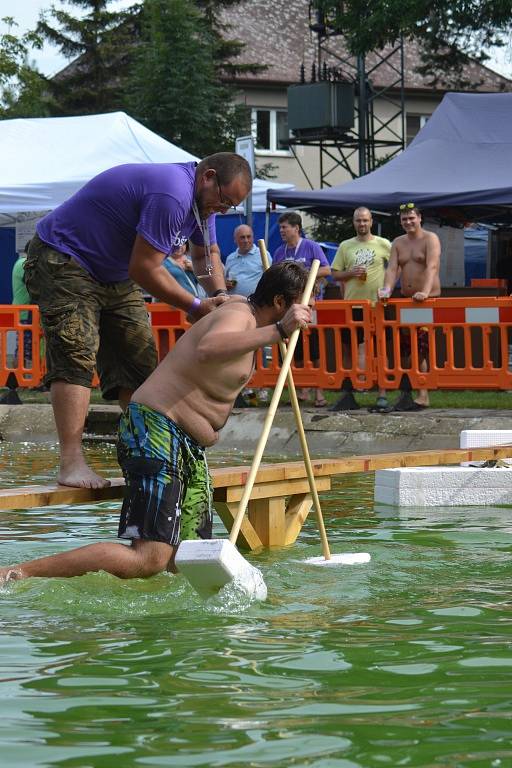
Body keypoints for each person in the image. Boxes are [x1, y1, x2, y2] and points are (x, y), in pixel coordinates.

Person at [0, 262, 312, 583]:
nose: (309, 312)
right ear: (279, 303)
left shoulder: (243, 314)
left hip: (186, 443)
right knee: (149, 558)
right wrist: (278, 331)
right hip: (157, 429)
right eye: (305, 304)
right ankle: (17, 573)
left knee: (191, 556)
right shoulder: (241, 316)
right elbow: (208, 347)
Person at [24, 153, 252, 489]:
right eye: (224, 200)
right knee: (77, 351)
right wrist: (194, 305)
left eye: (231, 206)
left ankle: (148, 455)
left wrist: (218, 294)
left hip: (113, 273)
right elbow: (144, 268)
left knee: (140, 364)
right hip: (65, 257)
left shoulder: (203, 207)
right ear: (209, 177)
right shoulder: (172, 193)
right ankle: (71, 463)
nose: (223, 209)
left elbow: (205, 257)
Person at [378, 203, 441, 411]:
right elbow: (393, 269)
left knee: (421, 348)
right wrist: (386, 289)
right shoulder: (398, 242)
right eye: (404, 219)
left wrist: (424, 291)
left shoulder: (430, 239)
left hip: (426, 301)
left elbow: (432, 266)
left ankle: (423, 394)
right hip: (406, 301)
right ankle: (409, 390)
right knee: (406, 348)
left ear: (419, 218)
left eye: (411, 218)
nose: (408, 222)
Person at [331, 207, 391, 411]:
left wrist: (389, 287)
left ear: (371, 221)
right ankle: (349, 390)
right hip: (352, 305)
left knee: (380, 349)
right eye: (358, 221)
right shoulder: (345, 246)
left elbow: (395, 267)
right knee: (349, 348)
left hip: (377, 305)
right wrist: (350, 273)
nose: (362, 224)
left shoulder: (384, 244)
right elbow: (335, 274)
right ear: (354, 222)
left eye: (365, 220)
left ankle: (382, 392)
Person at [273, 211, 331, 407]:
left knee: (313, 351)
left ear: (296, 228)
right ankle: (301, 392)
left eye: (284, 227)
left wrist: (301, 274)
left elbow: (326, 269)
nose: (281, 230)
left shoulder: (311, 247)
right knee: (294, 351)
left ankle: (320, 393)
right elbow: (275, 275)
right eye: (280, 227)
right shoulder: (280, 252)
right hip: (290, 308)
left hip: (310, 306)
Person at [225, 223, 271, 405]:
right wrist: (227, 284)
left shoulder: (263, 254)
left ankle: (263, 389)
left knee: (261, 348)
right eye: (242, 237)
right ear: (235, 240)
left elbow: (270, 278)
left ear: (253, 237)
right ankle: (247, 390)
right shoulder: (230, 258)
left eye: (248, 237)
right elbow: (225, 280)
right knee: (242, 350)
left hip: (259, 309)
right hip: (238, 310)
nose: (245, 240)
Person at [11, 240, 33, 369]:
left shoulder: (20, 263)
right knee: (25, 347)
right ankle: (16, 379)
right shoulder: (24, 264)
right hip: (24, 313)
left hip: (23, 311)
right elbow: (35, 283)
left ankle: (17, 379)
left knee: (23, 346)